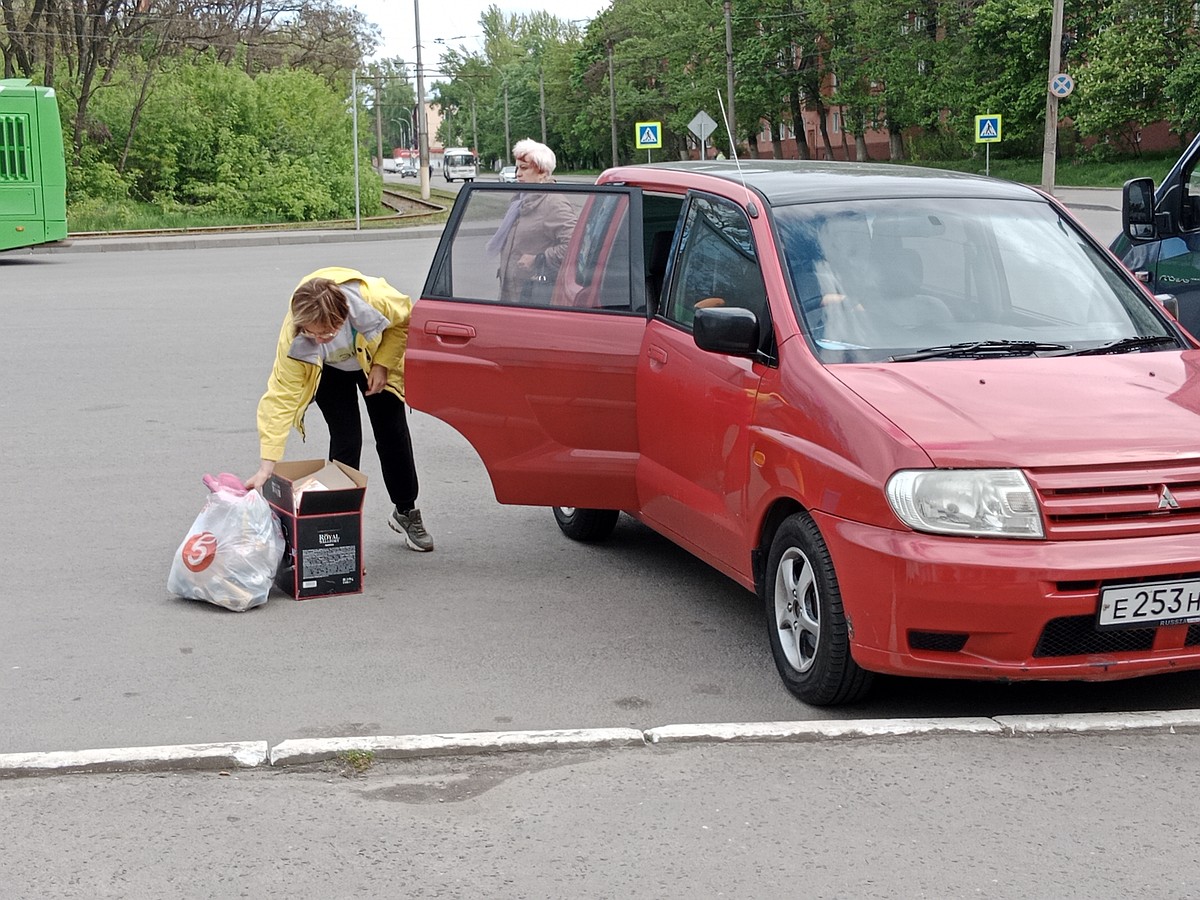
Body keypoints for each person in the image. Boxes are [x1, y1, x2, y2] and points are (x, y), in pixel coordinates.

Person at [244, 267, 434, 552]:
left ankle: (406, 511)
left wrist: (383, 363)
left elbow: (405, 320)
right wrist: (266, 465)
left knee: (392, 433)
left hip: (372, 356)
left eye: (331, 332)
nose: (325, 339)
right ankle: (342, 530)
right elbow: (280, 398)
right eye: (317, 334)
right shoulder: (296, 338)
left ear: (344, 314)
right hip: (329, 371)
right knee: (346, 440)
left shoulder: (374, 299)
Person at [486, 138, 577, 303]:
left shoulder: (553, 202)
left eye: (524, 168)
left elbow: (574, 244)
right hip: (512, 295)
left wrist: (539, 258)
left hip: (535, 297)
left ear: (542, 172)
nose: (517, 174)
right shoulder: (520, 200)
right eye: (517, 168)